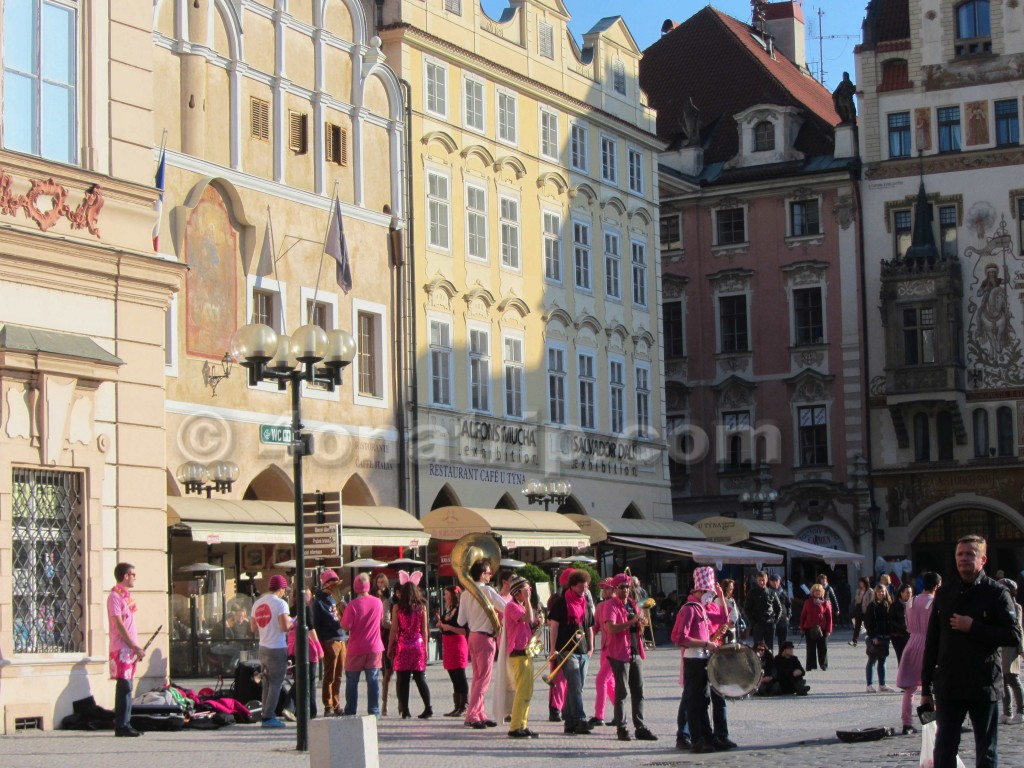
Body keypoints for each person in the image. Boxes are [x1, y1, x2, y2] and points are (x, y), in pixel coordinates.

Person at [921, 535, 1023, 768]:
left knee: (986, 751)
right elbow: (932, 641)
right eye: (960, 554)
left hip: (983, 683)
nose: (964, 559)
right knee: (944, 748)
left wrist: (974, 627)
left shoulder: (996, 593)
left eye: (970, 554)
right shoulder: (945, 593)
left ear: (983, 559)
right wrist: (925, 686)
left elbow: (1013, 636)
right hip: (949, 683)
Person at [671, 566, 735, 754]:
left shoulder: (702, 609)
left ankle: (708, 737)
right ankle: (696, 739)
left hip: (703, 659)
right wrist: (706, 644)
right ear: (698, 591)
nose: (710, 596)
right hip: (694, 660)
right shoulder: (690, 609)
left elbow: (724, 617)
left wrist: (721, 596)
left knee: (704, 699)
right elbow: (679, 638)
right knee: (694, 701)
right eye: (708, 592)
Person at [604, 573, 657, 742]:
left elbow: (639, 627)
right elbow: (610, 629)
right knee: (622, 692)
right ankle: (622, 728)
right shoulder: (610, 605)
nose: (626, 590)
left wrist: (641, 623)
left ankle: (640, 727)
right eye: (622, 587)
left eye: (627, 587)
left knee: (638, 691)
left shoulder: (633, 604)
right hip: (619, 653)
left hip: (635, 651)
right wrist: (630, 621)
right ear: (615, 589)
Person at [457, 558, 507, 729]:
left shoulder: (465, 593)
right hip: (485, 637)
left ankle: (480, 713)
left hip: (472, 636)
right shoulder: (487, 590)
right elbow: (505, 608)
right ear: (481, 574)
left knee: (478, 677)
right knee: (483, 679)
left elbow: (460, 619)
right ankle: (472, 714)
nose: (490, 575)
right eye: (488, 572)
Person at [548, 569, 596, 735]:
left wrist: (591, 647)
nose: (585, 590)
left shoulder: (585, 603)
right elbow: (554, 626)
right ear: (573, 586)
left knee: (578, 687)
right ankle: (581, 719)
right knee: (575, 685)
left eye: (586, 587)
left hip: (582, 650)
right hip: (566, 650)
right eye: (582, 587)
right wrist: (552, 649)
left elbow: (589, 626)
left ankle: (569, 723)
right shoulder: (562, 603)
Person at [897, 571, 941, 736]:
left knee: (910, 688)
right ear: (937, 586)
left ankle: (907, 724)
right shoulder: (935, 602)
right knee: (933, 686)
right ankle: (930, 722)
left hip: (912, 643)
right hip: (929, 644)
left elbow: (908, 626)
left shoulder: (910, 601)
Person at [387, 571, 432, 719]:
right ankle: (428, 707)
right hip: (418, 644)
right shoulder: (421, 607)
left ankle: (405, 709)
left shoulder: (397, 607)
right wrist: (425, 647)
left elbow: (394, 629)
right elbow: (424, 629)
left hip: (403, 645)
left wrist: (389, 647)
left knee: (402, 679)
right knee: (420, 678)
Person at [250, 574, 293, 728]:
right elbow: (284, 627)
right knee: (276, 683)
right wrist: (293, 623)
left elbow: (253, 628)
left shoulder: (258, 603)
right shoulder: (281, 604)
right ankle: (269, 717)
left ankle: (265, 713)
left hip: (263, 647)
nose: (284, 592)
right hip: (277, 647)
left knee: (266, 683)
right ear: (281, 589)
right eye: (284, 589)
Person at [108, 562, 145, 737]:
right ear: (125, 576)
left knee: (128, 686)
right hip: (122, 648)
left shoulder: (126, 596)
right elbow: (119, 624)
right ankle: (121, 725)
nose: (135, 578)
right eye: (133, 575)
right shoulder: (115, 597)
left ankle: (126, 722)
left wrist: (135, 648)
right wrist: (133, 645)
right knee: (124, 686)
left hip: (129, 650)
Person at [340, 572, 385, 717]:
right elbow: (381, 619)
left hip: (356, 648)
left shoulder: (352, 605)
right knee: (372, 681)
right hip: (374, 647)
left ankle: (351, 710)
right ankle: (374, 711)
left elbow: (346, 626)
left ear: (355, 587)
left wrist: (341, 616)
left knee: (352, 681)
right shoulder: (378, 602)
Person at [504, 576, 539, 739]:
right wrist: (527, 600)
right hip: (518, 653)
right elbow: (528, 618)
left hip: (526, 652)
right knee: (522, 692)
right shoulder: (511, 606)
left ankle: (522, 724)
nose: (529, 591)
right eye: (526, 589)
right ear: (517, 592)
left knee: (527, 691)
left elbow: (528, 624)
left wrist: (536, 626)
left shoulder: (521, 606)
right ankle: (515, 726)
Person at [313, 569, 346, 716]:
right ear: (325, 584)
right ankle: (328, 705)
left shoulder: (336, 598)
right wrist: (320, 644)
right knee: (330, 675)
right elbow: (316, 625)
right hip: (329, 640)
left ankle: (337, 703)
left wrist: (340, 600)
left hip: (341, 638)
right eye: (332, 582)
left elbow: (347, 616)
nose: (335, 585)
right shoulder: (319, 602)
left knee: (339, 675)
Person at [436, 585, 469, 717]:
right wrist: (441, 626)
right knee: (453, 676)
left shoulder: (460, 609)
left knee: (460, 675)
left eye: (446, 594)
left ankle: (464, 705)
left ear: (453, 596)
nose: (444, 596)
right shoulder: (448, 610)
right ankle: (457, 705)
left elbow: (464, 630)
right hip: (448, 644)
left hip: (457, 643)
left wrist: (449, 627)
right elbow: (445, 627)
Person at [547, 568, 574, 722]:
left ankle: (565, 707)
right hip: (560, 645)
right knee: (558, 680)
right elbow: (553, 624)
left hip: (574, 646)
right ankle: (555, 709)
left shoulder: (582, 599)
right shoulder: (557, 600)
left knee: (572, 680)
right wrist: (552, 648)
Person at [591, 578, 617, 727]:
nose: (604, 591)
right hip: (605, 649)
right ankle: (620, 715)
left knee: (601, 680)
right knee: (610, 684)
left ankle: (599, 716)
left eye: (606, 588)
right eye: (603, 588)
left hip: (614, 649)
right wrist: (588, 639)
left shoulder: (618, 605)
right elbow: (595, 627)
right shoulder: (601, 606)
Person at [999, 579, 1024, 725]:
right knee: (1002, 681)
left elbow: (1019, 629)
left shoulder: (1016, 606)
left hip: (1011, 645)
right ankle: (1007, 712)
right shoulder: (998, 605)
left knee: (1013, 678)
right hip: (1000, 645)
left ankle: (1021, 711)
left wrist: (1021, 648)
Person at [863, 584, 894, 693]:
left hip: (885, 636)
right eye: (879, 591)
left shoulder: (888, 604)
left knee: (882, 660)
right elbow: (868, 622)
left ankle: (882, 684)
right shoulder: (872, 606)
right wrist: (873, 636)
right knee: (872, 660)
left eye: (883, 591)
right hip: (875, 636)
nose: (881, 593)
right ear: (875, 593)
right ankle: (869, 684)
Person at [372, 573, 394, 715]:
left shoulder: (390, 598)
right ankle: (383, 703)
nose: (380, 584)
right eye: (378, 582)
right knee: (385, 670)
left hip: (387, 634)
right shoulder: (374, 596)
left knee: (389, 671)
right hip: (378, 634)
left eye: (382, 582)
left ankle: (387, 701)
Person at [744, 571, 781, 652]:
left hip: (769, 623)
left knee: (769, 648)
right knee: (757, 647)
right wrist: (753, 621)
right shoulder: (752, 592)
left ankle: (770, 663)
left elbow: (778, 608)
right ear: (757, 580)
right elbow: (747, 609)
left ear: (766, 579)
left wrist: (775, 621)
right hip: (758, 623)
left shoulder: (772, 592)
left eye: (763, 580)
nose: (761, 582)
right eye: (760, 580)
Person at [800, 582, 833, 672]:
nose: (817, 592)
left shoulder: (825, 603)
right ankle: (810, 665)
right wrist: (802, 628)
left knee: (823, 648)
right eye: (815, 591)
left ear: (822, 592)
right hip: (809, 628)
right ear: (812, 592)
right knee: (810, 648)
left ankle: (823, 664)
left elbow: (829, 617)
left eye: (819, 591)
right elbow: (803, 616)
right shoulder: (807, 602)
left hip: (822, 628)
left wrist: (829, 630)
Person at [891, 583, 913, 663]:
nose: (909, 594)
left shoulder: (913, 604)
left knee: (911, 660)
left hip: (911, 636)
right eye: (907, 592)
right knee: (901, 659)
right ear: (901, 593)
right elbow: (891, 620)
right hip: (898, 636)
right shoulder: (895, 605)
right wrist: (903, 627)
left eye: (910, 592)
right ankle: (902, 675)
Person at [768, 574, 791, 647]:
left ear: (779, 581)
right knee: (769, 642)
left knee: (783, 642)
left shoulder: (783, 592)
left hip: (783, 619)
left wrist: (788, 616)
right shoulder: (767, 592)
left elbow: (789, 605)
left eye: (776, 581)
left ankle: (782, 657)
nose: (775, 583)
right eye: (773, 581)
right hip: (771, 619)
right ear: (769, 582)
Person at [850, 576, 872, 646]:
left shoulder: (870, 591)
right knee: (857, 626)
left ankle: (870, 638)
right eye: (860, 582)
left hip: (867, 610)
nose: (860, 583)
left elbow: (871, 601)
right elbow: (856, 600)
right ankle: (854, 640)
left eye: (861, 582)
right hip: (859, 610)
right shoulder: (858, 590)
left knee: (868, 625)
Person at [720, 579, 740, 644]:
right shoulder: (719, 599)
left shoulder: (731, 599)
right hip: (724, 629)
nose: (732, 588)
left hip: (732, 628)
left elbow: (735, 613)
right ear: (726, 587)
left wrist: (733, 621)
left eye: (733, 586)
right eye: (731, 586)